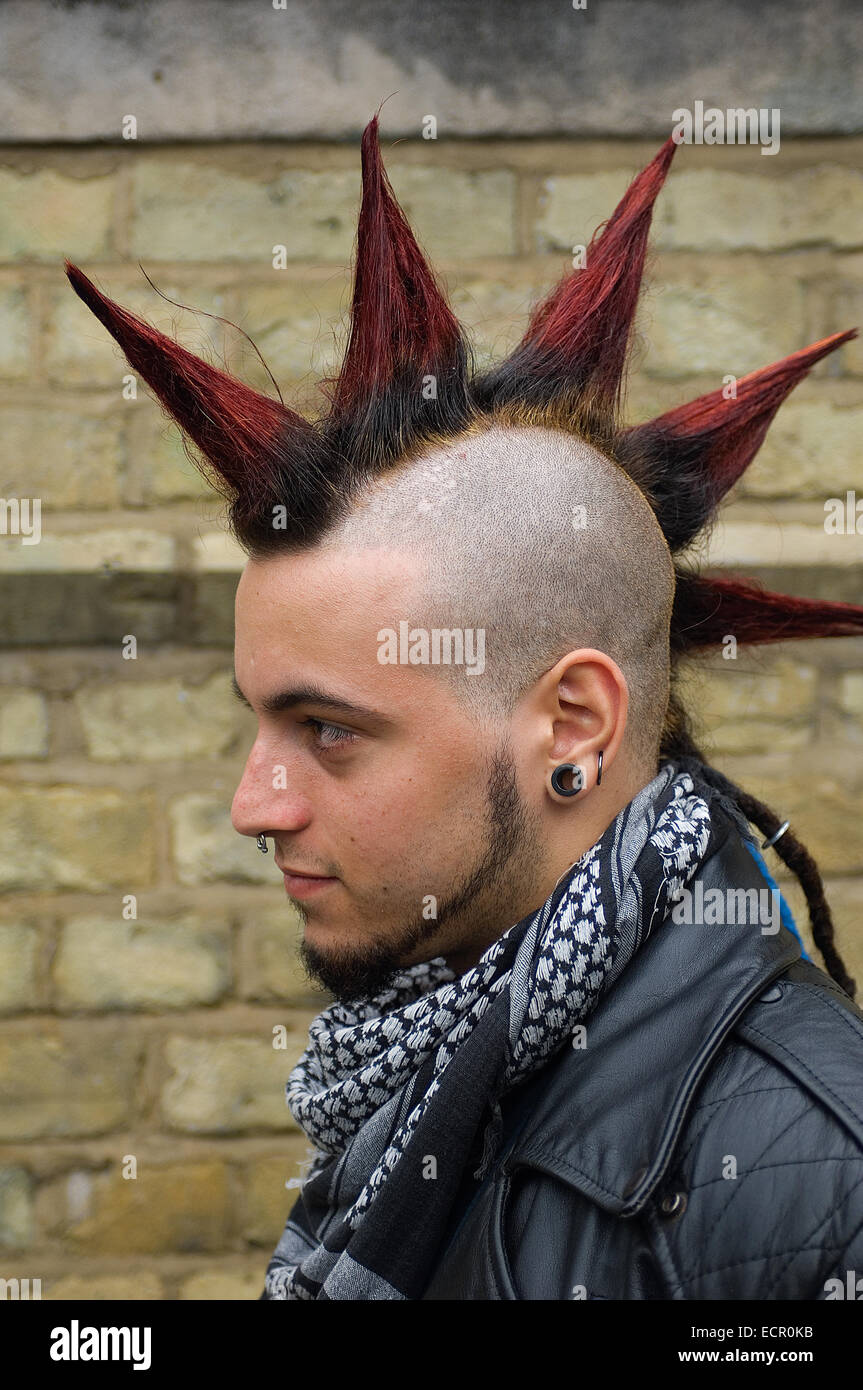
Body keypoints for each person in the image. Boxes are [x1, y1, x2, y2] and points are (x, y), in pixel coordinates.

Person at [66, 112, 863, 1301]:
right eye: (260, 721)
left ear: (572, 728)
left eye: (327, 728)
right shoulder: (431, 1051)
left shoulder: (803, 1180)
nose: (252, 804)